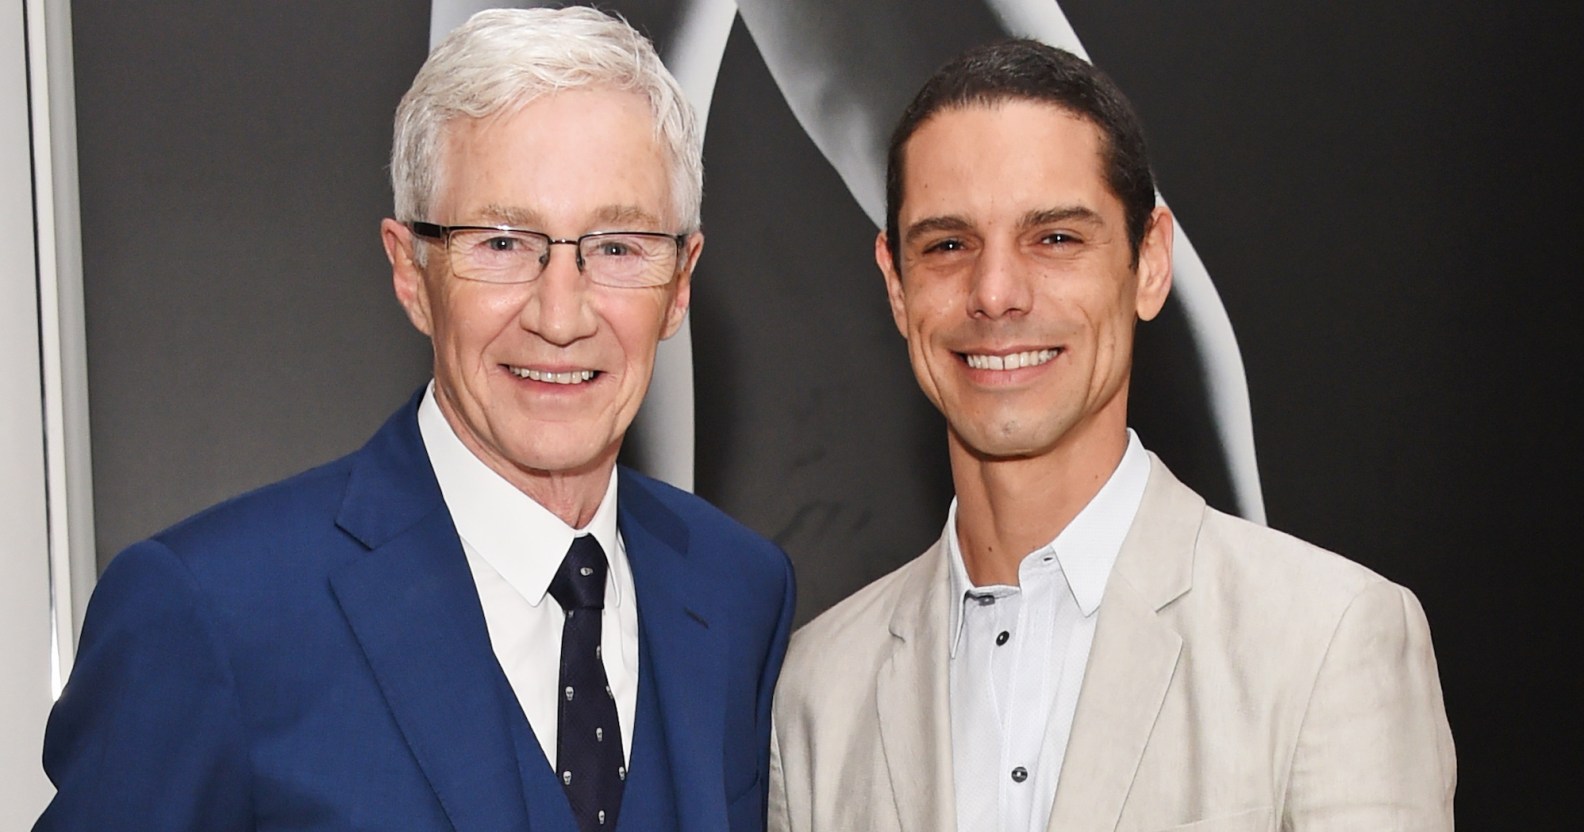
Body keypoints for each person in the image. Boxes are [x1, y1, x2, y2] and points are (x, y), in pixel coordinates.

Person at [37, 8, 794, 831]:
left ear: (679, 284)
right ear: (410, 272)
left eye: (616, 247)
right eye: (502, 243)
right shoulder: (209, 614)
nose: (561, 315)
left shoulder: (738, 592)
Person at [768, 39, 1454, 832]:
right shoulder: (817, 693)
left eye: (1055, 238)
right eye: (948, 245)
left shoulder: (1328, 639)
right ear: (896, 284)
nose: (996, 292)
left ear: (1150, 262)